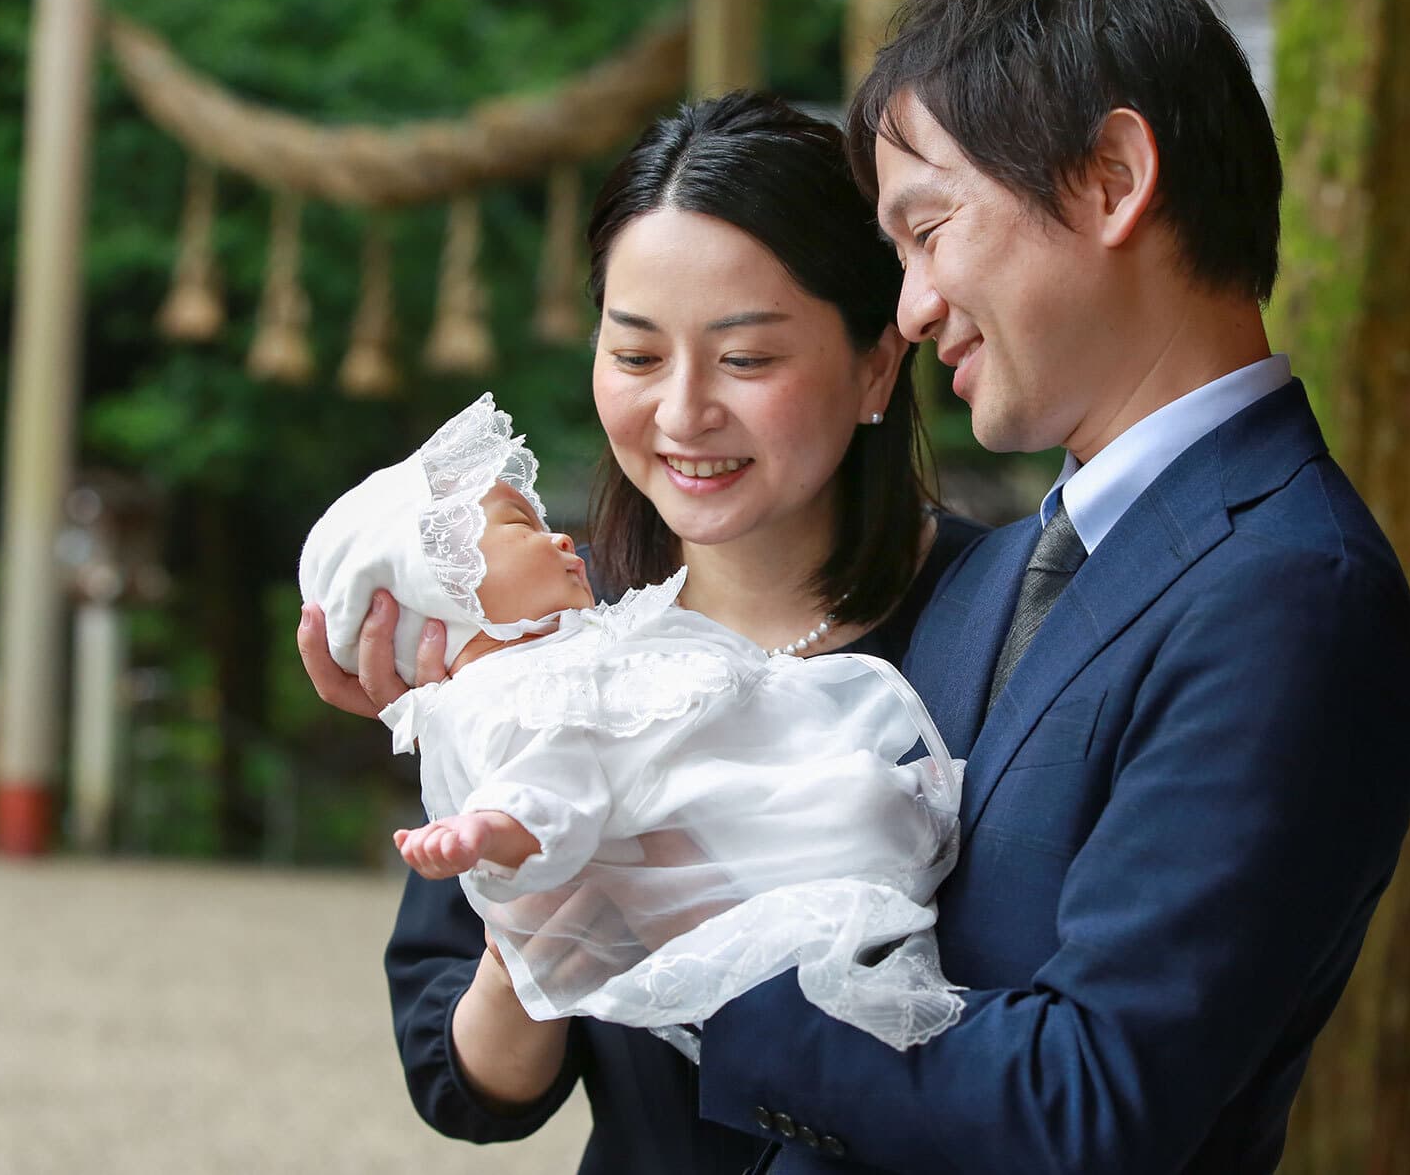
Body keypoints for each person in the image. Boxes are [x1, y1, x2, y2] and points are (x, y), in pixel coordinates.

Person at [679, 0, 1410, 1171]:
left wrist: (708, 982)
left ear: (1111, 179)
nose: (911, 306)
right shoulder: (997, 574)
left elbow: (1086, 1101)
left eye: (930, 230)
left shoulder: (1291, 591)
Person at [297, 92, 986, 1173]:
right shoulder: (550, 637)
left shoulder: (1002, 614)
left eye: (745, 359)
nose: (681, 412)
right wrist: (536, 909)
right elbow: (472, 1086)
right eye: (635, 355)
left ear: (875, 366)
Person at [297, 392, 964, 1053]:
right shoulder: (499, 696)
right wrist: (493, 827)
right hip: (729, 833)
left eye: (746, 359)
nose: (561, 536)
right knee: (850, 813)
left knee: (853, 801)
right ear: (441, 587)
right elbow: (545, 776)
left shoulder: (585, 639)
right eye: (520, 528)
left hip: (743, 798)